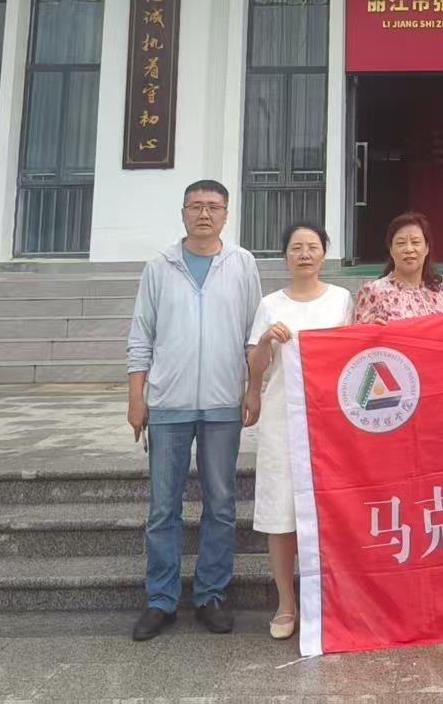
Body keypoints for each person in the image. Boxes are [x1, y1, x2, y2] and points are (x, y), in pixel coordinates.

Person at [125, 179, 263, 642]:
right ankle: (160, 600)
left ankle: (211, 595)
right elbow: (141, 334)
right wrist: (137, 397)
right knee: (163, 507)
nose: (204, 214)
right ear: (183, 212)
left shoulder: (241, 264)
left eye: (213, 207)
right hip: (169, 402)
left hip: (224, 402)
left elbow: (253, 334)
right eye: (196, 206)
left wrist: (253, 388)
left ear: (226, 214)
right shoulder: (159, 266)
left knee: (221, 503)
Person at [243, 223, 353, 641]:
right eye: (296, 248)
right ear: (285, 256)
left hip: (331, 422)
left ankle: (328, 600)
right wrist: (265, 343)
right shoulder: (270, 304)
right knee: (281, 512)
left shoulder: (341, 300)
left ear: (324, 254)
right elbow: (256, 366)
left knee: (332, 511)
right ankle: (286, 603)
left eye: (312, 247)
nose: (304, 254)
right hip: (282, 419)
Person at [353, 211, 443, 323]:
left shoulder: (441, 292)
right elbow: (359, 332)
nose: (408, 249)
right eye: (401, 243)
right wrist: (372, 330)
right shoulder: (372, 292)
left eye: (415, 242)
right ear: (391, 250)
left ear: (427, 248)